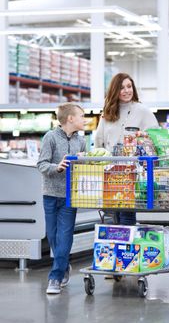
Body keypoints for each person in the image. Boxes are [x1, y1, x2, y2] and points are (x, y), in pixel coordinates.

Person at [94, 72, 159, 226]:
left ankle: (127, 246)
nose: (126, 91)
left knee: (127, 213)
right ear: (115, 90)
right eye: (122, 88)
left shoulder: (142, 110)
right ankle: (118, 246)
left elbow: (156, 138)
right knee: (113, 214)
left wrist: (144, 137)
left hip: (133, 172)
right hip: (110, 171)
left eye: (129, 86)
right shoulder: (108, 112)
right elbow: (99, 141)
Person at [37, 103, 86, 294]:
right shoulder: (50, 137)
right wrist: (56, 167)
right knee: (53, 236)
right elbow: (41, 164)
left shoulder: (81, 141)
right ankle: (64, 266)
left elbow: (82, 168)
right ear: (70, 118)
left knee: (64, 236)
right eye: (82, 116)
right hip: (49, 194)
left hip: (69, 196)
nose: (84, 120)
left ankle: (55, 278)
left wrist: (83, 159)